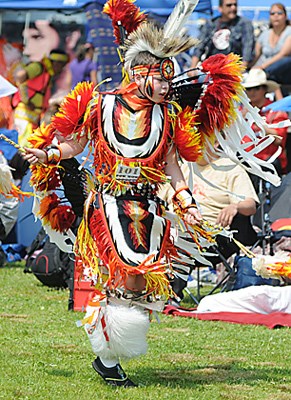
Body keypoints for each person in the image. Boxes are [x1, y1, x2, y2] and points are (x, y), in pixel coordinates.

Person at [20, 0, 281, 389]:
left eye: (168, 78)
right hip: (109, 202)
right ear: (139, 73)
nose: (167, 85)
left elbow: (174, 167)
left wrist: (186, 203)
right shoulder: (101, 105)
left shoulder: (168, 116)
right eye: (161, 78)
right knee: (125, 274)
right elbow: (76, 144)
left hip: (148, 206)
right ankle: (108, 353)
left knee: (140, 281)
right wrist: (49, 153)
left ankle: (109, 354)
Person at [159, 154, 259, 301]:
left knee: (183, 236)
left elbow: (251, 205)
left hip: (211, 238)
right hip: (171, 227)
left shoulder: (230, 168)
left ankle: (170, 296)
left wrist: (235, 206)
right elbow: (158, 197)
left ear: (216, 140)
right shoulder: (181, 168)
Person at [12, 48, 69, 147]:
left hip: (34, 114)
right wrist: (26, 100)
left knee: (30, 143)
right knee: (24, 144)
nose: (61, 69)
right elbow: (20, 76)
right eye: (61, 65)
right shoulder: (38, 67)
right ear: (56, 63)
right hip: (25, 112)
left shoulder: (48, 72)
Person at [241, 68, 289, 177]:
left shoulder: (276, 111)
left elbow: (279, 140)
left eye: (256, 88)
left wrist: (257, 122)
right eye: (248, 89)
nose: (252, 92)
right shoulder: (241, 112)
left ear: (265, 90)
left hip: (270, 162)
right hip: (246, 162)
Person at [190, 0, 255, 74]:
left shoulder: (244, 24)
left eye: (235, 5)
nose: (233, 8)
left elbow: (247, 49)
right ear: (220, 8)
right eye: (229, 5)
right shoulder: (211, 24)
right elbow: (199, 46)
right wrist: (192, 68)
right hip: (211, 69)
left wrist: (240, 71)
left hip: (234, 69)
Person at [251, 3, 291, 86]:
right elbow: (256, 55)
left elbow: (283, 54)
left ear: (285, 16)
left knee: (287, 60)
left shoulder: (289, 32)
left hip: (284, 72)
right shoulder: (264, 34)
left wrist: (263, 67)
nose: (276, 16)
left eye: (279, 13)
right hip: (265, 70)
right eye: (272, 13)